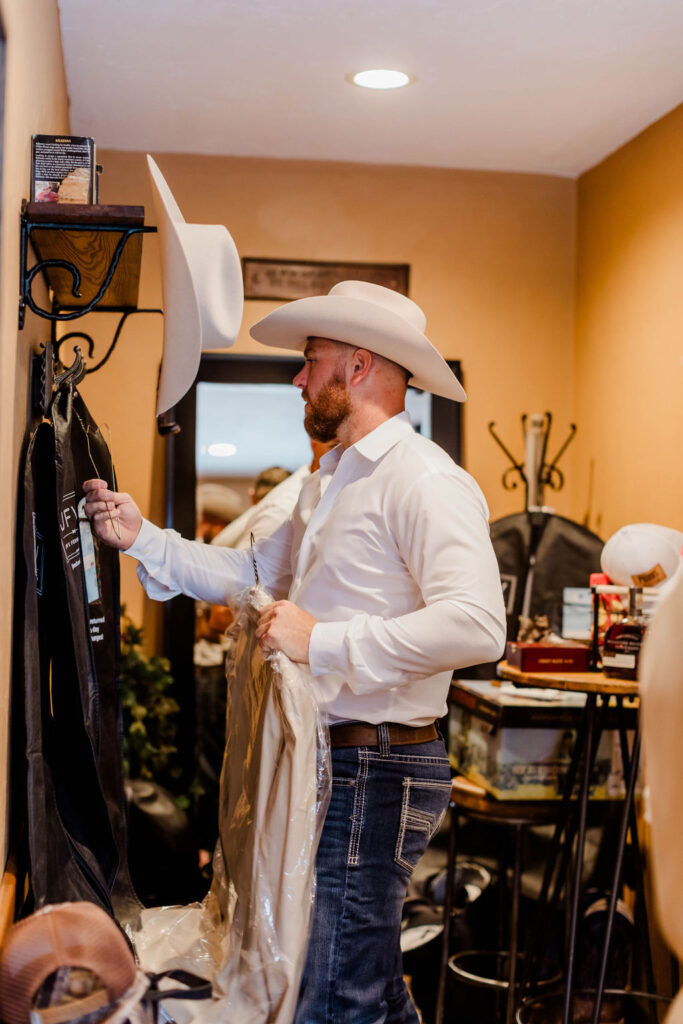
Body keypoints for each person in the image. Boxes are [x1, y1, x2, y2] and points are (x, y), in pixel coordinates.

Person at [84, 280, 506, 1024]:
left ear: (359, 365)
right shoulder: (327, 482)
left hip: (377, 766)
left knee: (334, 987)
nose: (298, 377)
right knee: (356, 978)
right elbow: (249, 572)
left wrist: (324, 641)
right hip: (332, 762)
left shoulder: (425, 480)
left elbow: (476, 625)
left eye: (311, 360)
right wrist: (140, 537)